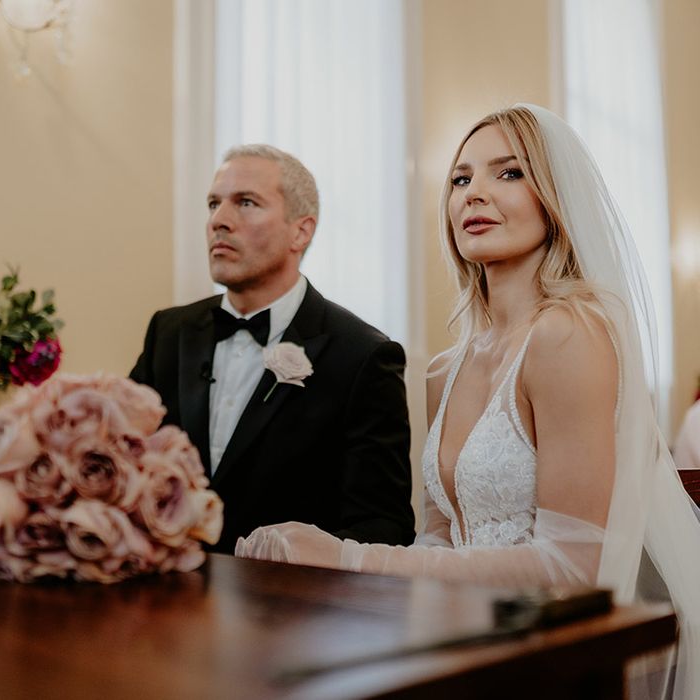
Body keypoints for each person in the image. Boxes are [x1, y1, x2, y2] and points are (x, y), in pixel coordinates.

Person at [236, 106, 700, 699]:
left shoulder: (569, 334)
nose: (474, 193)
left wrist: (347, 558)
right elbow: (441, 542)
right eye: (461, 179)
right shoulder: (443, 371)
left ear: (554, 201)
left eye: (508, 174)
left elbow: (574, 566)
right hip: (474, 646)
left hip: (560, 655)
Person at [130, 144, 416, 554]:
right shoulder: (168, 333)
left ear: (301, 230)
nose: (219, 221)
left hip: (289, 606)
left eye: (245, 203)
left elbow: (380, 525)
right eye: (213, 204)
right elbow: (127, 466)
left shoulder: (363, 356)